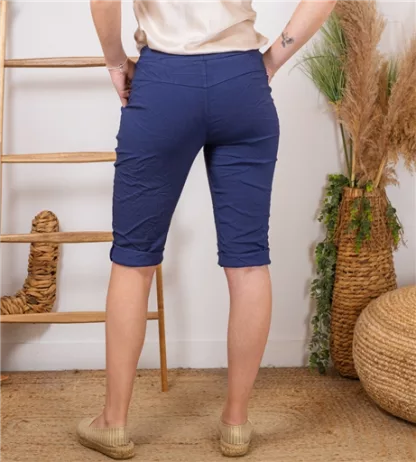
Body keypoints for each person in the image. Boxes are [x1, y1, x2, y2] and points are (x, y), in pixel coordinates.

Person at [77, 0, 337, 459]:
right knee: (249, 260)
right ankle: (236, 423)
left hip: (163, 84)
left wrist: (116, 63)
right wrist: (272, 59)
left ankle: (113, 423)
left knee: (134, 258)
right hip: (242, 82)